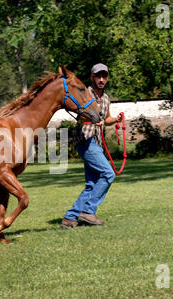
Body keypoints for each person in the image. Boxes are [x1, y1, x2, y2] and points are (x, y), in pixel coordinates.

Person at [61, 63, 122, 229]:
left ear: (107, 78)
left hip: (97, 142)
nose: (101, 79)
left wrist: (114, 120)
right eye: (98, 76)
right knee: (108, 173)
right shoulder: (85, 93)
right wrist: (94, 120)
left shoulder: (106, 98)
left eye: (104, 76)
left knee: (92, 184)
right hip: (86, 139)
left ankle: (70, 218)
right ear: (92, 77)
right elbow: (78, 113)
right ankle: (88, 211)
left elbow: (106, 118)